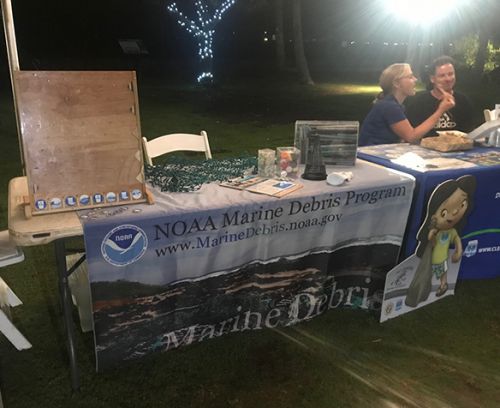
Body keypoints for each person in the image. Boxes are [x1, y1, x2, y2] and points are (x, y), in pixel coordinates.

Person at [405, 175, 476, 307]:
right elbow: (430, 239)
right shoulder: (437, 231)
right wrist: (431, 234)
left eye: (461, 206)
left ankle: (439, 288)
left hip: (441, 259)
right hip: (431, 257)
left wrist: (459, 251)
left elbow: (456, 239)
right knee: (423, 275)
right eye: (444, 212)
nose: (454, 213)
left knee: (439, 274)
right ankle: (415, 297)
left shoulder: (451, 232)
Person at [358, 63, 455, 146]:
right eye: (410, 77)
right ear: (396, 83)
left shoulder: (395, 105)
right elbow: (411, 136)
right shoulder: (389, 106)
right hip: (370, 158)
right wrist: (440, 110)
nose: (415, 79)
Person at [405, 56, 476, 137]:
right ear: (432, 79)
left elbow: (470, 132)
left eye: (450, 74)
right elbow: (411, 135)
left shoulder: (463, 101)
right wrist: (441, 109)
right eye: (442, 76)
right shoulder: (418, 102)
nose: (448, 79)